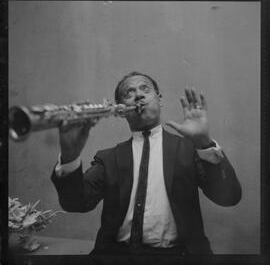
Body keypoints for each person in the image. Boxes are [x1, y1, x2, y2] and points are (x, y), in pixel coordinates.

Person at [51, 72, 242, 257]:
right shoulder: (108, 158)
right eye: (129, 93)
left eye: (145, 89)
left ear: (159, 99)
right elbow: (75, 203)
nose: (139, 95)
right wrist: (70, 156)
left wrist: (203, 143)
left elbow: (229, 197)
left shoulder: (191, 150)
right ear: (121, 109)